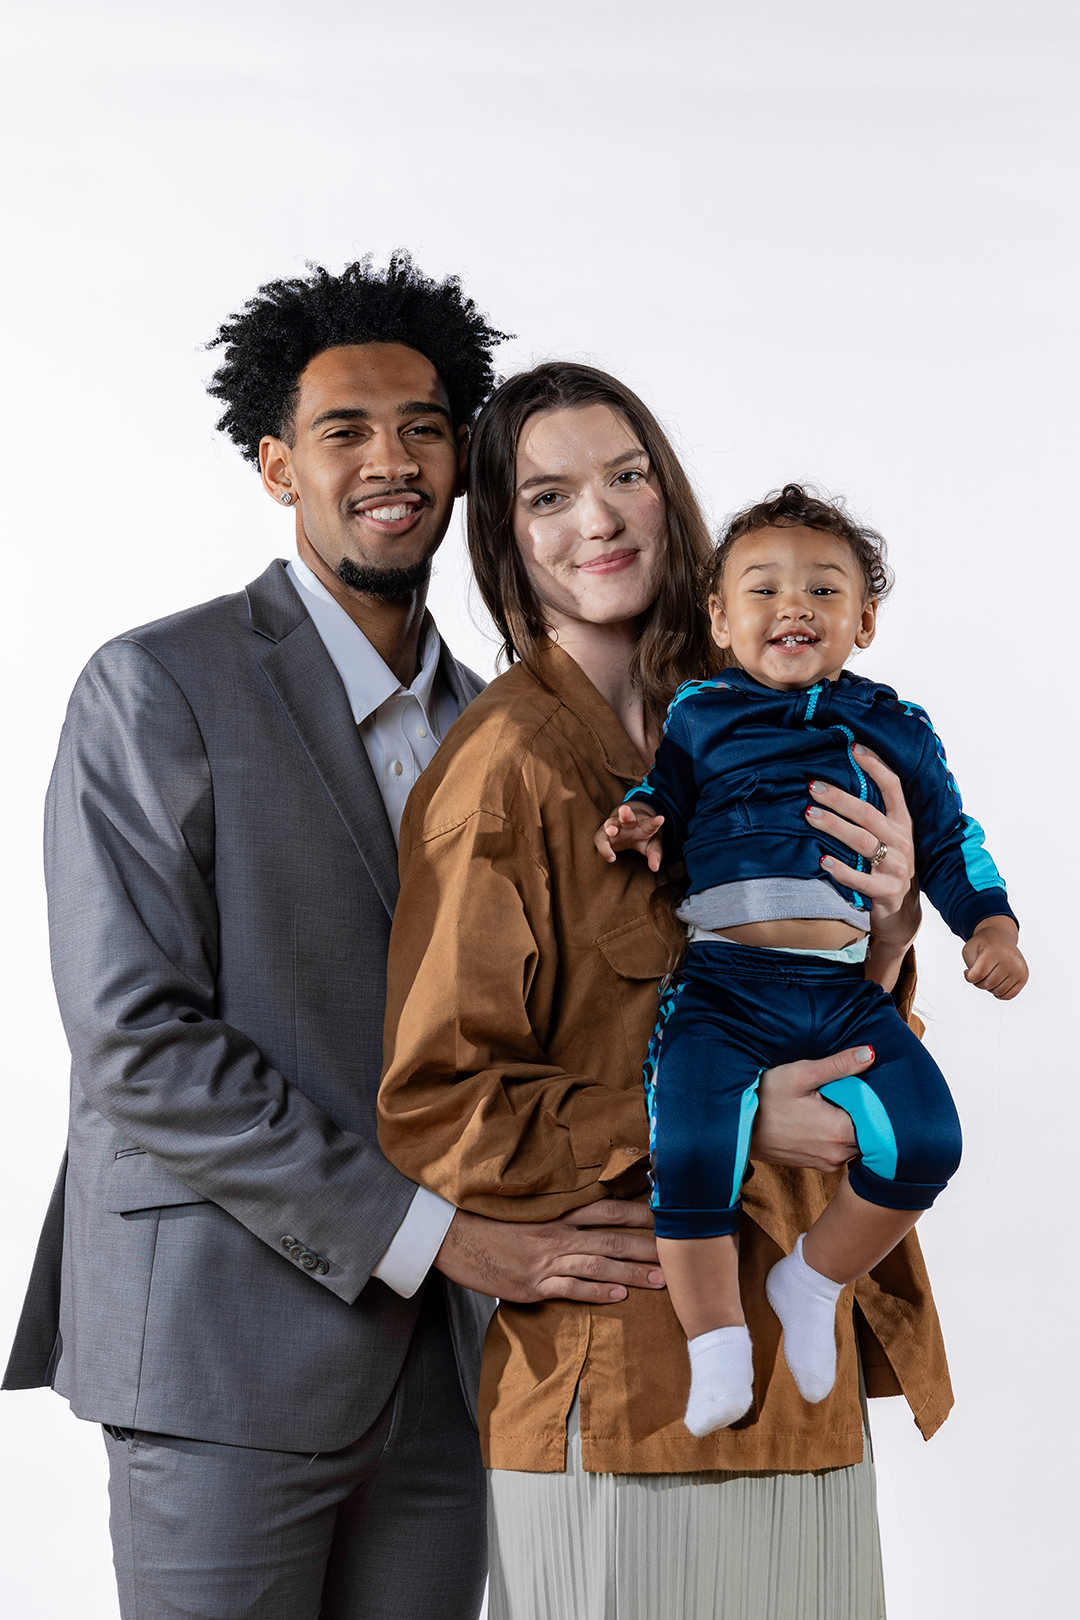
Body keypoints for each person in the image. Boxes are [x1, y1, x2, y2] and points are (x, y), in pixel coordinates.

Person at [2, 259, 672, 1620]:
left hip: (454, 1370)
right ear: (273, 466)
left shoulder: (511, 724)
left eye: (427, 427)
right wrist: (440, 1235)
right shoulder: (158, 687)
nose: (394, 461)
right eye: (344, 432)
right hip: (224, 1346)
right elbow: (139, 1044)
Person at [378, 362, 953, 1620]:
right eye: (550, 496)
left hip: (806, 1387)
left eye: (629, 475)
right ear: (505, 536)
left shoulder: (780, 716)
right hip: (621, 1392)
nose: (603, 519)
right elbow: (437, 1104)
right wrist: (735, 1120)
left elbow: (850, 1015)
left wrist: (898, 929)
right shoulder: (504, 772)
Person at [596, 484, 1027, 1438]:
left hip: (840, 989)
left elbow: (952, 839)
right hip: (723, 986)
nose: (794, 606)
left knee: (928, 1139)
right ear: (719, 617)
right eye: (764, 588)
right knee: (691, 1139)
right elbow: (661, 790)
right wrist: (639, 818)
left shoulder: (897, 727)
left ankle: (815, 1275)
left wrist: (989, 926)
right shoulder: (702, 715)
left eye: (824, 590)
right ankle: (715, 1342)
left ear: (864, 621)